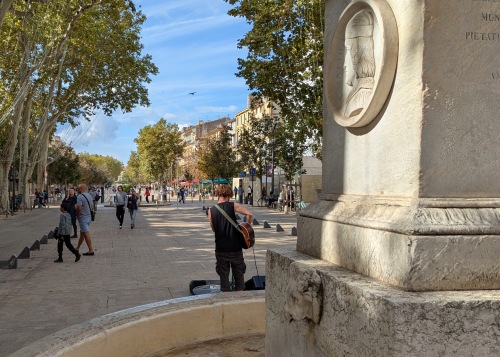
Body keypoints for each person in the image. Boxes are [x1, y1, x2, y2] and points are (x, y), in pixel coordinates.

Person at [208, 184, 253, 292]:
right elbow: (249, 214)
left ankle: (226, 302)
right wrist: (246, 228)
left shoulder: (211, 210)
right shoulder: (233, 206)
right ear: (229, 194)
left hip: (221, 248)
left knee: (224, 280)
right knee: (239, 280)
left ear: (218, 194)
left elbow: (214, 229)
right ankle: (239, 302)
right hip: (235, 247)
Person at [343, 10, 375, 118]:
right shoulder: (356, 92)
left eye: (348, 50)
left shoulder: (364, 95)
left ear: (357, 53)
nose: (344, 65)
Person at [75, 184, 95, 256]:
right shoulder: (89, 195)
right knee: (82, 233)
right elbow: (92, 206)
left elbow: (79, 208)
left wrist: (77, 215)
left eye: (78, 188)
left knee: (86, 233)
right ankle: (77, 248)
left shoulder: (80, 197)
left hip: (83, 217)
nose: (77, 190)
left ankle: (91, 250)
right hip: (89, 217)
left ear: (80, 189)